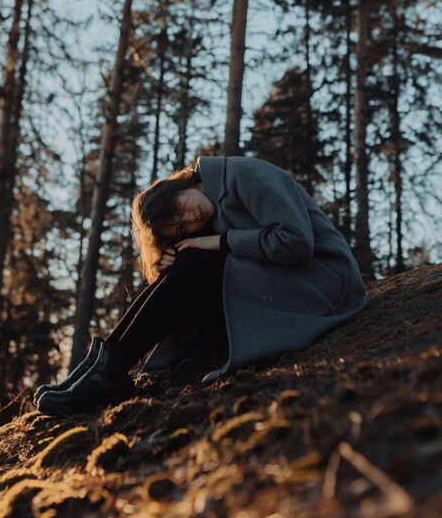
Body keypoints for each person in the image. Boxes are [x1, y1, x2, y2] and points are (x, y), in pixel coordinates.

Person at [35, 156, 367, 415]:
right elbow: (198, 273)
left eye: (180, 210)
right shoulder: (211, 215)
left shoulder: (244, 175)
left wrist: (216, 243)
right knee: (189, 258)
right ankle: (101, 365)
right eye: (179, 228)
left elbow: (296, 243)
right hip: (290, 282)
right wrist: (172, 259)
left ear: (182, 185)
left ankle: (110, 370)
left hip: (325, 282)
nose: (190, 220)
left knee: (197, 257)